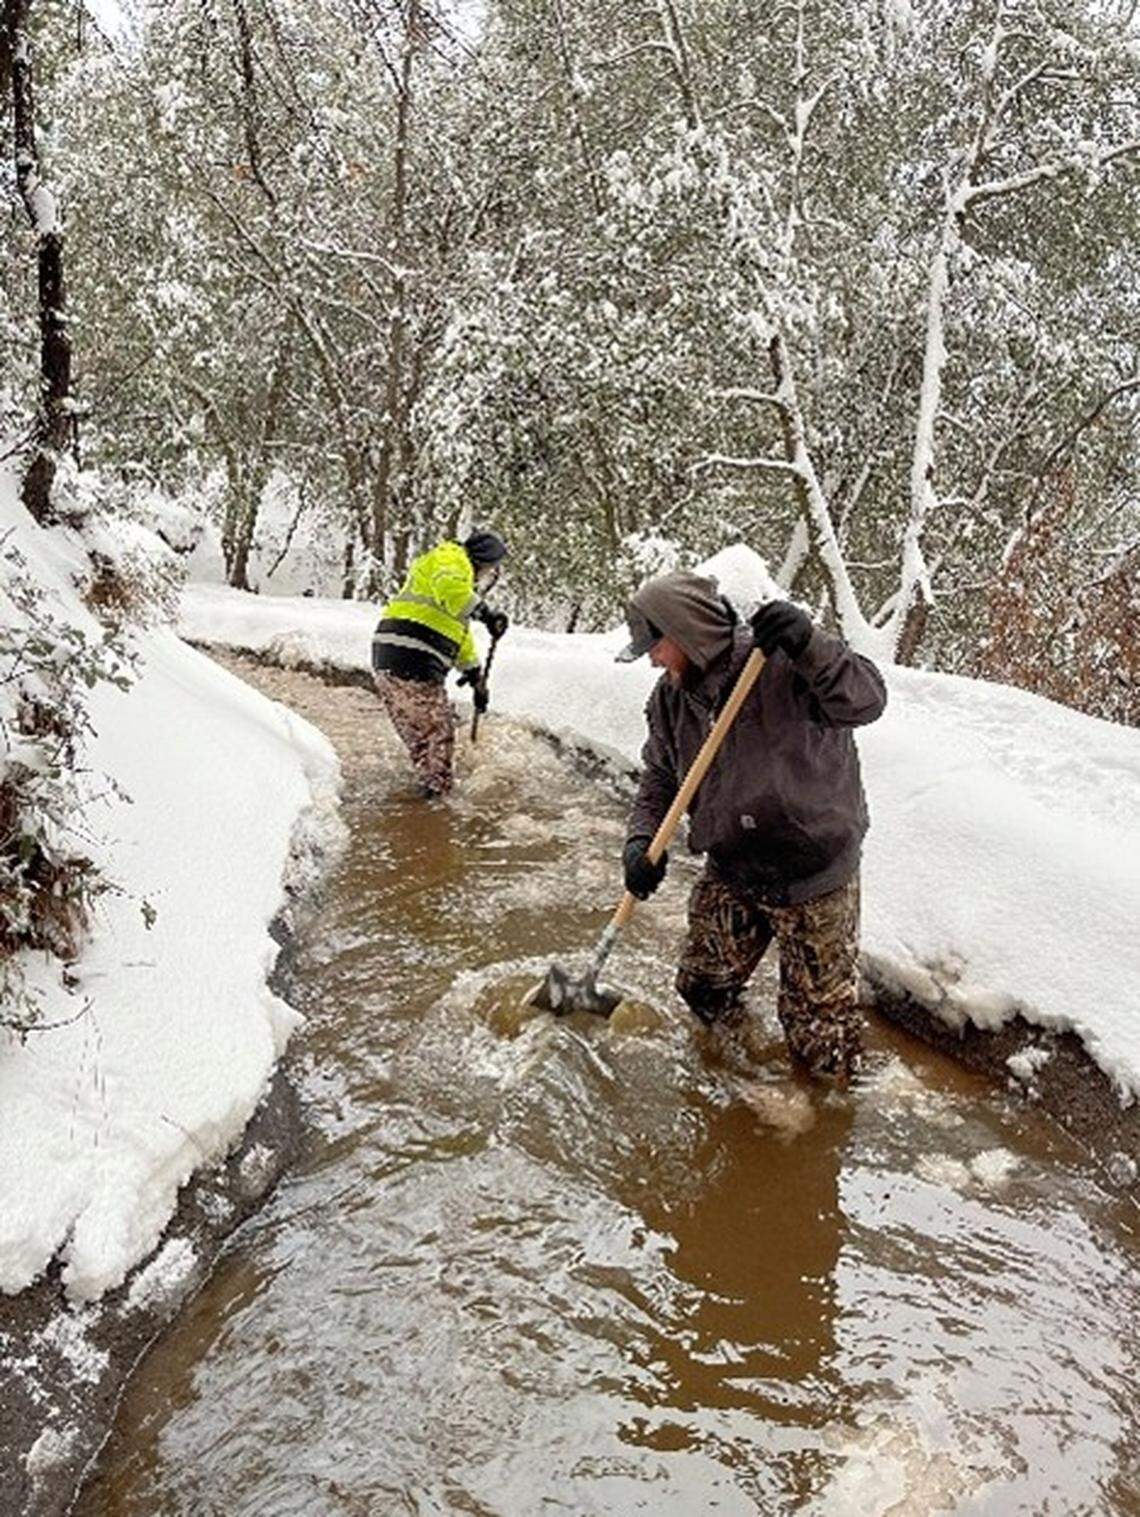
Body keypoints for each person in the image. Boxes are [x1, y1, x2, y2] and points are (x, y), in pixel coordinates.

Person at [617, 569, 886, 1079]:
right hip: (733, 871)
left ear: (686, 632)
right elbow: (660, 777)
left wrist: (810, 644)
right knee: (701, 988)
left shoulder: (782, 664)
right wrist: (640, 842)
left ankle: (818, 1125)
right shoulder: (669, 700)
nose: (651, 659)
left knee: (821, 1049)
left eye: (655, 646)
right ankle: (737, 1074)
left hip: (812, 875)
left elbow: (867, 701)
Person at [372, 530, 509, 796]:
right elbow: (451, 588)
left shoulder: (455, 586)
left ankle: (424, 797)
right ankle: (433, 813)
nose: (489, 574)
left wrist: (475, 676)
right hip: (413, 654)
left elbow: (459, 635)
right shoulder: (452, 557)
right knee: (438, 734)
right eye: (492, 568)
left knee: (422, 739)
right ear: (482, 559)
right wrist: (486, 614)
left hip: (391, 655)